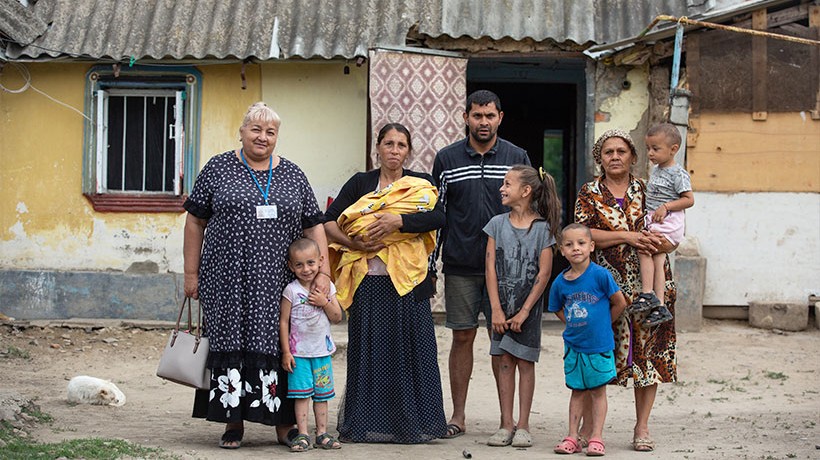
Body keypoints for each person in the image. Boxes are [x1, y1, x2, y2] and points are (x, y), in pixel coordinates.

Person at [183, 102, 330, 449]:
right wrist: (191, 273)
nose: (262, 137)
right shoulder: (218, 168)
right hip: (226, 277)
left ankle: (285, 426)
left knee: (279, 346)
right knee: (230, 340)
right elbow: (195, 221)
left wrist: (321, 271)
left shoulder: (293, 174)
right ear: (242, 132)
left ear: (277, 136)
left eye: (270, 132)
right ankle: (232, 423)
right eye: (255, 130)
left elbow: (313, 224)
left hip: (278, 283)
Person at [324, 123, 447, 443]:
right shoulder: (361, 183)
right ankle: (364, 423)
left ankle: (414, 424)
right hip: (368, 282)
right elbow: (328, 221)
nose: (394, 150)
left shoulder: (420, 184)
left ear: (409, 151)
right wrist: (354, 245)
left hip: (409, 284)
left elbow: (438, 218)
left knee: (413, 353)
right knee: (369, 352)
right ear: (376, 148)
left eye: (401, 145)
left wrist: (399, 221)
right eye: (388, 144)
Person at [432, 89, 531, 439]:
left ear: (500, 118)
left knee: (502, 341)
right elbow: (437, 215)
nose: (483, 122)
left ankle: (507, 421)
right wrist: (432, 268)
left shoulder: (518, 157)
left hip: (507, 273)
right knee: (462, 337)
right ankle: (457, 417)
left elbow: (529, 214)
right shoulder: (446, 159)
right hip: (460, 264)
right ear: (466, 117)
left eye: (490, 116)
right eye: (477, 115)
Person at [574, 128, 677, 452]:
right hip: (605, 287)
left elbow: (673, 227)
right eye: (608, 152)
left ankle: (642, 426)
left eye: (621, 151)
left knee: (649, 355)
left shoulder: (651, 188)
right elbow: (583, 232)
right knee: (598, 353)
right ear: (599, 158)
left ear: (633, 156)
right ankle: (592, 428)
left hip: (651, 288)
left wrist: (662, 242)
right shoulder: (589, 192)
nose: (615, 157)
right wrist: (627, 236)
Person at [483, 165, 560, 448]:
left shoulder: (543, 230)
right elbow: (490, 267)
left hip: (528, 309)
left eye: (507, 183)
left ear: (525, 191)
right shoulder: (496, 224)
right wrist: (496, 309)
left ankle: (524, 425)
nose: (502, 188)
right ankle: (506, 424)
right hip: (501, 307)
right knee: (504, 362)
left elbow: (543, 274)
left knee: (525, 363)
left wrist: (525, 311)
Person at [548, 223, 628, 456]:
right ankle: (572, 437)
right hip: (573, 346)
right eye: (569, 244)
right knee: (577, 392)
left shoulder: (601, 275)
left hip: (599, 345)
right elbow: (557, 309)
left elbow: (620, 302)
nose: (576, 249)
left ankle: (596, 437)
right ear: (562, 250)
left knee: (598, 392)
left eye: (581, 243)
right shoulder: (560, 282)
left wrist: (604, 323)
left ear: (591, 247)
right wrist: (574, 324)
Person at [280, 238, 343, 452]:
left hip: (321, 354)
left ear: (320, 261)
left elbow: (337, 316)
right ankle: (303, 434)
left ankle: (322, 433)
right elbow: (283, 321)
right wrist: (286, 352)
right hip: (299, 355)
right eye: (299, 264)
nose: (306, 269)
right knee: (301, 395)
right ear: (291, 266)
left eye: (311, 263)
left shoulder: (327, 287)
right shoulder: (291, 290)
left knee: (322, 395)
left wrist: (324, 302)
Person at [630, 123, 694, 326]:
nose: (650, 153)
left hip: (668, 223)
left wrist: (666, 207)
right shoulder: (657, 170)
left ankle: (647, 293)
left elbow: (689, 200)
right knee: (658, 260)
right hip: (658, 221)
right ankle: (660, 306)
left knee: (644, 248)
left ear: (673, 149)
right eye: (648, 148)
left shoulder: (678, 173)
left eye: (655, 149)